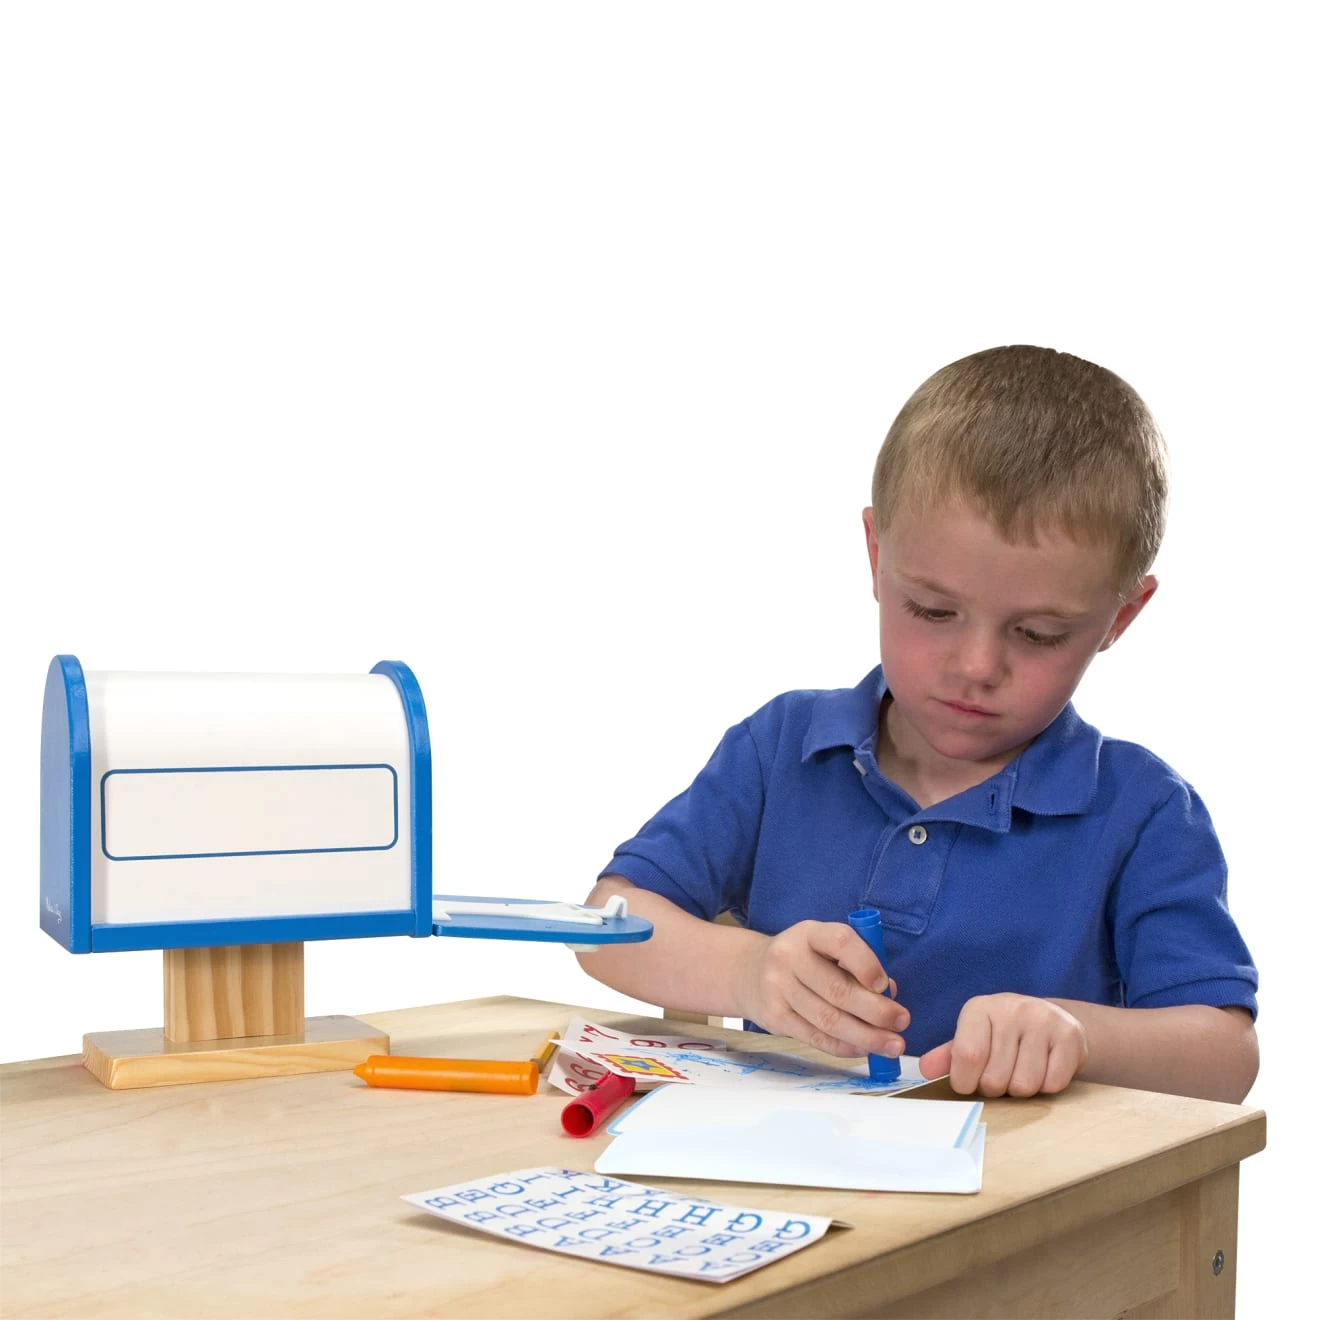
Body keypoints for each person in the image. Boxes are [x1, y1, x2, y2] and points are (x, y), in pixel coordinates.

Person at [578, 345, 1259, 1103]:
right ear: (876, 557)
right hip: (785, 1162)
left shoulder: (1143, 811)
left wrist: (1079, 1034)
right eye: (933, 611)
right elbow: (606, 923)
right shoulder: (782, 750)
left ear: (1121, 617)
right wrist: (748, 972)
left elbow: (1226, 1057)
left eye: (1037, 634)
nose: (977, 666)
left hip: (1029, 1177)